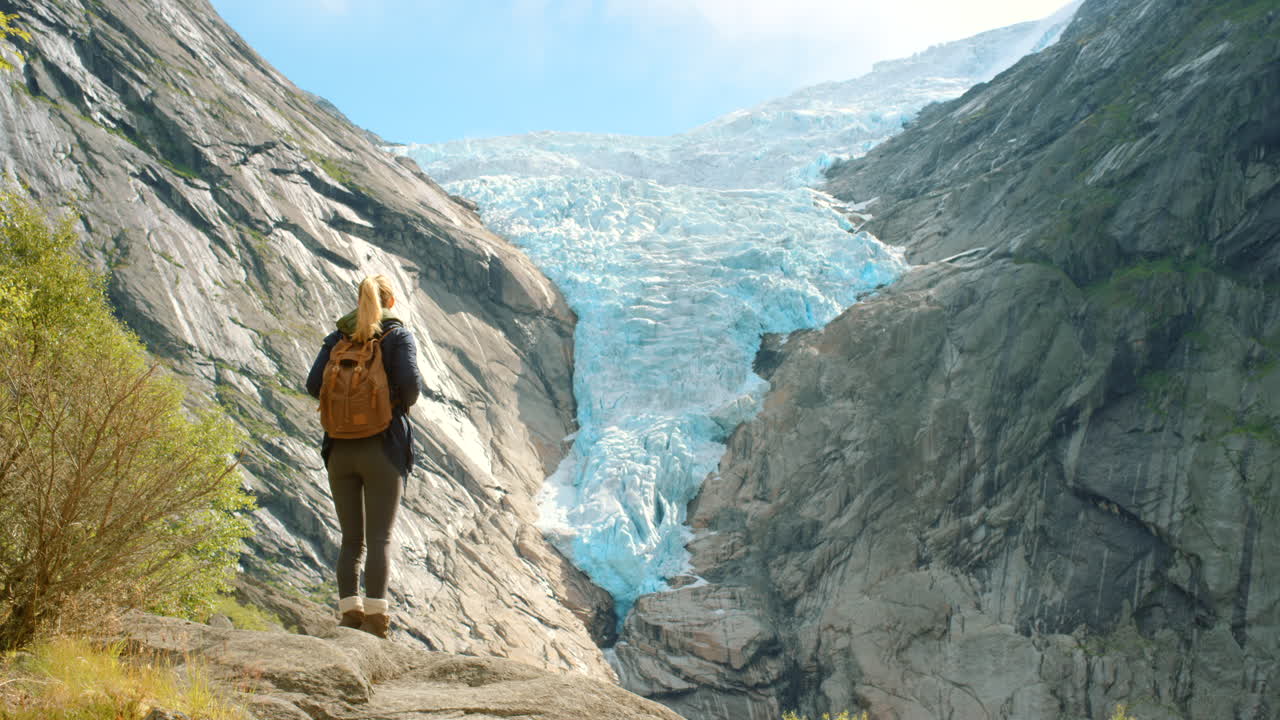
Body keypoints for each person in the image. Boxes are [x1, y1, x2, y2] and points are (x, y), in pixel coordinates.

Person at [306, 274, 422, 638]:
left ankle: (348, 613)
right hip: (382, 447)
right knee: (380, 538)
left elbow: (313, 384)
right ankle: (375, 619)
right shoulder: (396, 335)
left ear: (359, 301)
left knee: (351, 539)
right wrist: (390, 409)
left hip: (339, 449)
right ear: (389, 303)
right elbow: (411, 384)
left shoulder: (338, 337)